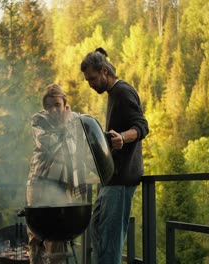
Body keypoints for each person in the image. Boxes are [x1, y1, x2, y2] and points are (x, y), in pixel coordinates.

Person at [80, 47, 149, 264]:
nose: (90, 84)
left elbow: (142, 126)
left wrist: (122, 137)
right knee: (97, 227)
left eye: (92, 78)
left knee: (110, 241)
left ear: (104, 72)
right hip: (110, 179)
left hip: (121, 180)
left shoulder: (122, 92)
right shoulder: (113, 94)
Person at [26, 84, 88, 264]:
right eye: (49, 106)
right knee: (36, 238)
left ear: (65, 104)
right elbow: (49, 144)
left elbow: (83, 148)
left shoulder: (76, 120)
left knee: (58, 238)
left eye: (57, 105)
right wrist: (63, 126)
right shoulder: (38, 120)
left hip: (64, 186)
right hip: (39, 185)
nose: (53, 110)